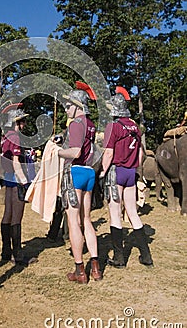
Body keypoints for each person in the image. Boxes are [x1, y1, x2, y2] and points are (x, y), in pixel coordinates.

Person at [99, 88, 153, 268]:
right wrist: (135, 169)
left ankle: (119, 258)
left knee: (115, 214)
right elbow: (139, 155)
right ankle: (146, 256)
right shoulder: (135, 127)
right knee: (132, 212)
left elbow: (108, 153)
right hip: (131, 172)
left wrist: (101, 172)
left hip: (116, 171)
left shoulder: (113, 126)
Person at [58, 82, 102, 284]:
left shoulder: (76, 123)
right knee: (87, 220)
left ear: (78, 105)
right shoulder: (90, 124)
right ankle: (96, 268)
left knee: (73, 221)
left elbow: (74, 152)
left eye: (69, 105)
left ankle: (80, 271)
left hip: (75, 172)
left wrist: (57, 151)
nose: (66, 108)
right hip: (89, 172)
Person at [0, 102, 35, 265]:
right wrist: (25, 182)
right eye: (23, 121)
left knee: (7, 214)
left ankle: (6, 251)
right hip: (15, 177)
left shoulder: (5, 137)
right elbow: (16, 162)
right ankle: (17, 254)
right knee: (16, 216)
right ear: (17, 122)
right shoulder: (15, 137)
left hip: (7, 177)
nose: (25, 124)